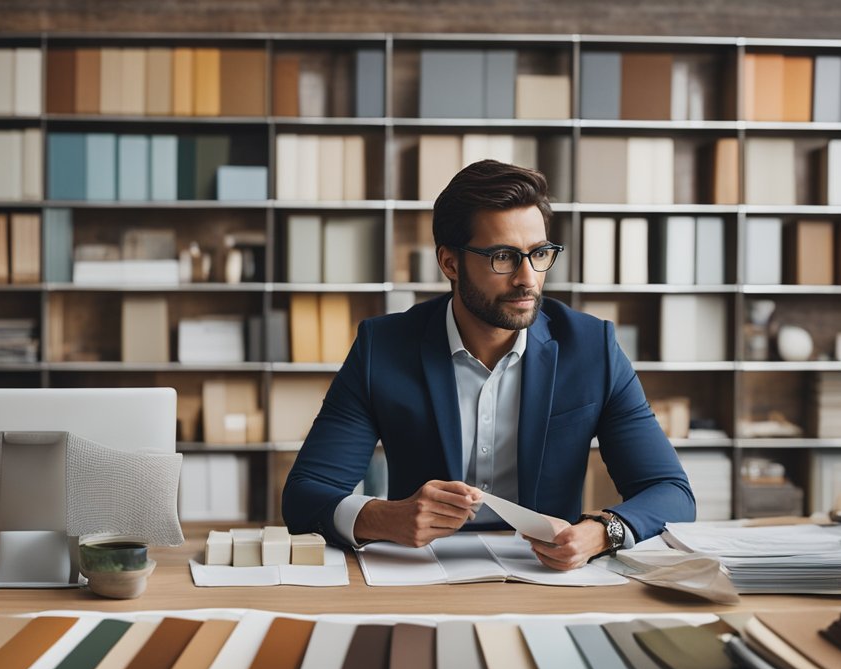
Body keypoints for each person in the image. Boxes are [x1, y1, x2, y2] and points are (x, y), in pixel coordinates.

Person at [282, 159, 695, 570]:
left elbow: (670, 491)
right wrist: (384, 518)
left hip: (547, 576)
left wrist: (603, 531)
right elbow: (305, 496)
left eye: (539, 254)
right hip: (418, 575)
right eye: (503, 257)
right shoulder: (384, 348)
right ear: (449, 263)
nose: (527, 278)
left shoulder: (592, 349)